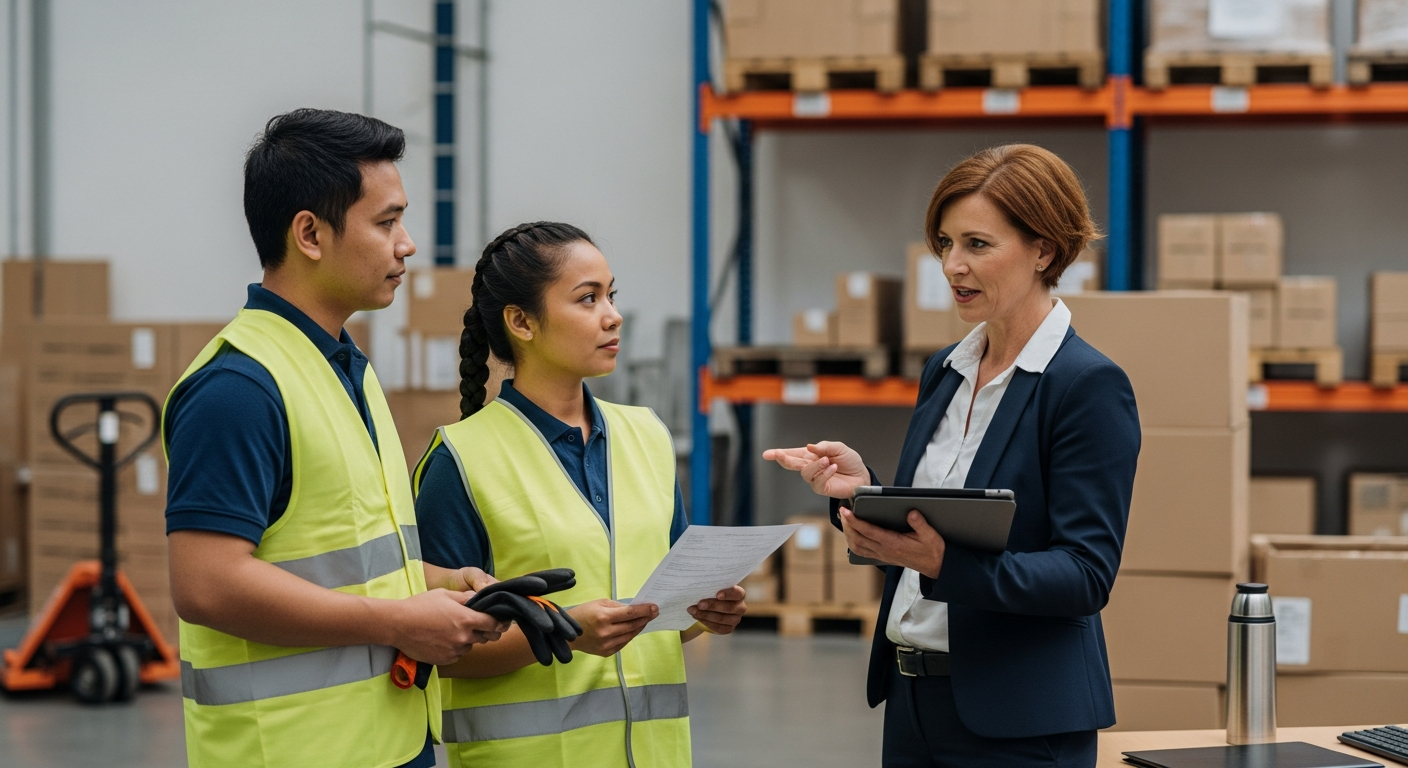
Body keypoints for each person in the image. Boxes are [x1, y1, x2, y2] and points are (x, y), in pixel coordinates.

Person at [765, 144, 1140, 767]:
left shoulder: (1085, 385)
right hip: (912, 702)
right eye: (945, 243)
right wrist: (863, 494)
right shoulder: (946, 369)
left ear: (1043, 250)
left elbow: (1084, 575)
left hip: (1020, 723)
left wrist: (947, 564)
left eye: (977, 245)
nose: (952, 265)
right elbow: (934, 521)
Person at [163, 108, 507, 768]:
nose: (406, 244)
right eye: (386, 222)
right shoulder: (239, 388)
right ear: (310, 234)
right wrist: (399, 622)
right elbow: (206, 585)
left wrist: (438, 583)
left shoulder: (342, 366)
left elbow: (339, 559)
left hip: (387, 740)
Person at [412, 222, 747, 767]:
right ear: (521, 322)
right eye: (587, 299)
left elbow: (670, 616)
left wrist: (704, 613)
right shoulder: (461, 459)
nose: (612, 315)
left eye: (611, 295)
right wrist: (568, 634)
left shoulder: (647, 436)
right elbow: (438, 649)